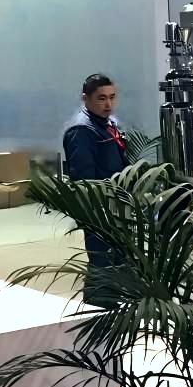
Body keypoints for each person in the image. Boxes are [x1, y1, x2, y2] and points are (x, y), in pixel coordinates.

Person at [63, 74, 128, 305]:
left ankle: (113, 308)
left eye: (112, 97)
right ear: (85, 98)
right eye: (101, 98)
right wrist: (95, 215)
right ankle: (99, 311)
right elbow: (83, 180)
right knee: (102, 265)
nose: (108, 104)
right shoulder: (82, 130)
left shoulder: (109, 123)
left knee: (118, 264)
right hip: (100, 211)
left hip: (117, 207)